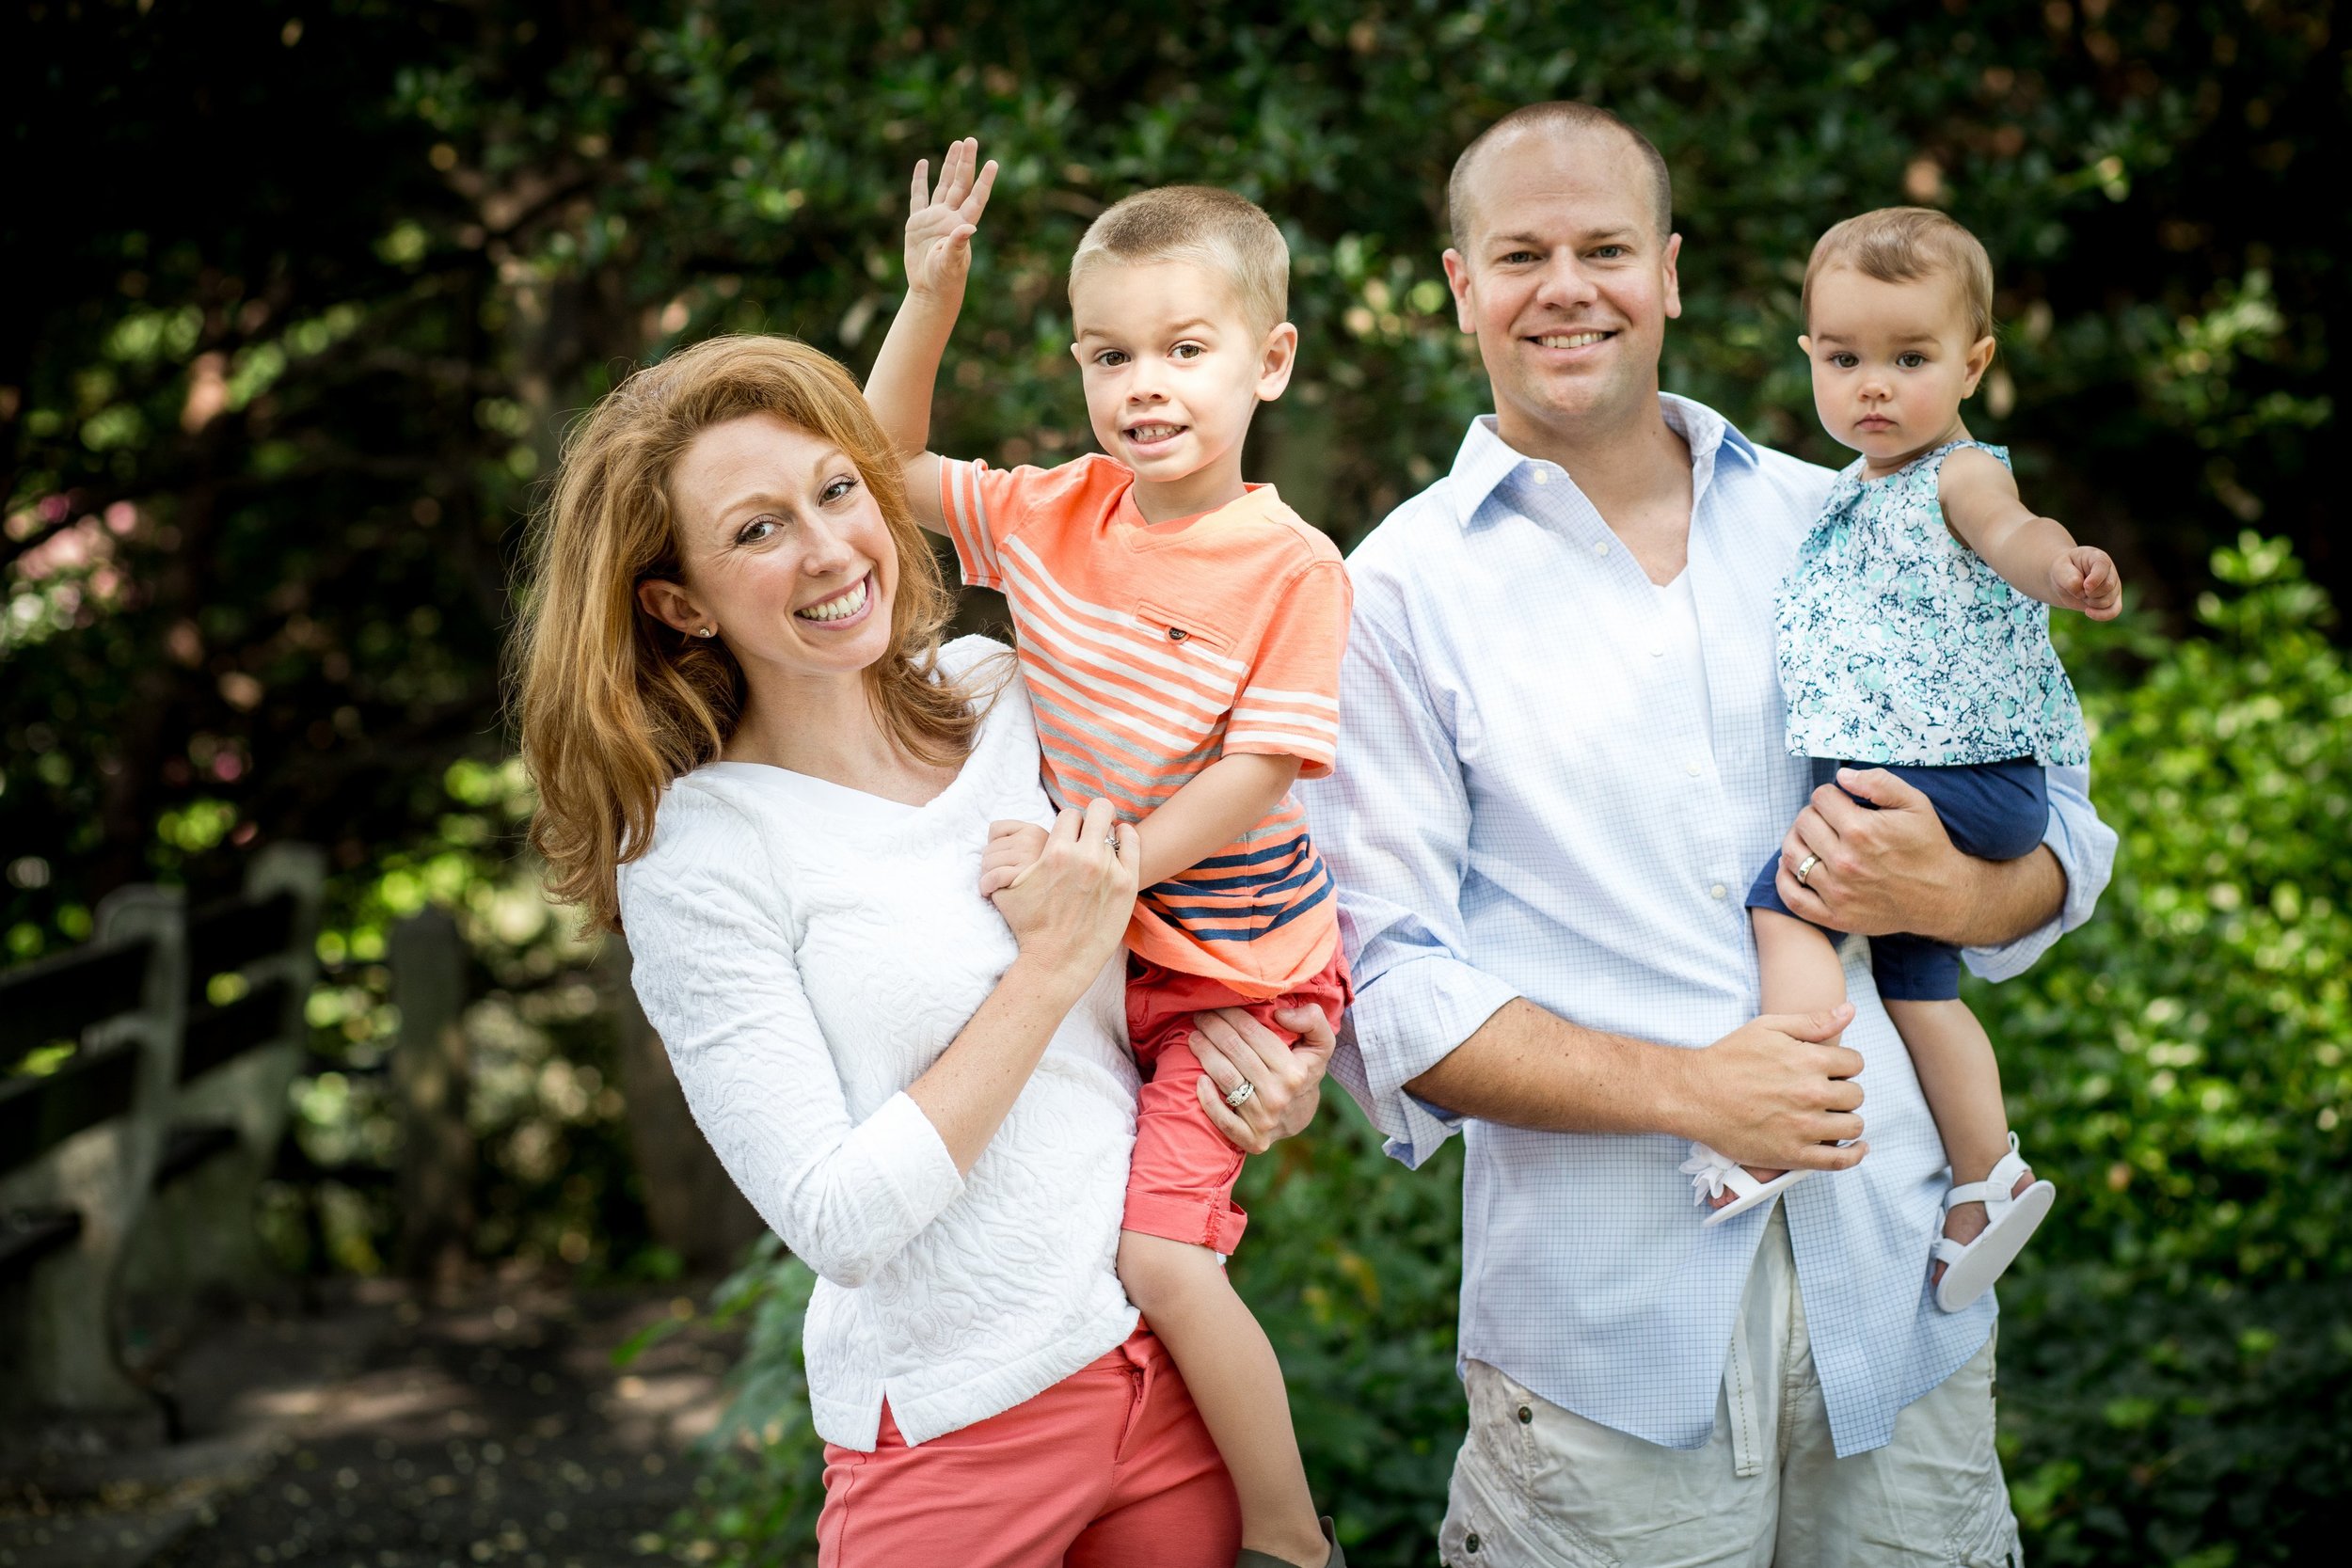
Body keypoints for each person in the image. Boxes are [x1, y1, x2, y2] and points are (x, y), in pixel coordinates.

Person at [1302, 103, 2117, 1564]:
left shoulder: (1852, 513)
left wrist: (1970, 890)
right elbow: (1388, 988)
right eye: (1523, 253)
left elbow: (2065, 816)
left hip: (1905, 1316)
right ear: (1460, 285)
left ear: (1667, 273)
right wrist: (1693, 1091)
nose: (1569, 285)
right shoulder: (1393, 594)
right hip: (1612, 1371)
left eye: (1606, 247)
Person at [512, 332, 1338, 1568]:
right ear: (677, 600)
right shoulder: (700, 857)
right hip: (954, 1440)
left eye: (838, 489)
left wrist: (1273, 1064)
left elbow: (1192, 916)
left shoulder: (1008, 691)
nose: (830, 546)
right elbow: (837, 1219)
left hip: (1164, 1378)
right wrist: (1047, 967)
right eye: (755, 529)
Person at [863, 139, 1351, 1568]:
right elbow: (885, 472)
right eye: (1107, 352)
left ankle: (1287, 1535)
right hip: (1108, 955)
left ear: (1268, 362)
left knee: (1162, 1257)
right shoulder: (1058, 511)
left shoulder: (1291, 565)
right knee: (1084, 1248)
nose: (1141, 383)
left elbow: (1262, 768)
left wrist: (1104, 865)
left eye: (1183, 349)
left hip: (1233, 974)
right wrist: (929, 301)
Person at [1682, 207, 2121, 1317]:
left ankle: (1784, 1117)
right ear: (1810, 357)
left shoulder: (1952, 474)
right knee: (1922, 987)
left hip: (1947, 773)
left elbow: (2009, 529)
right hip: (1939, 776)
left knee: (1787, 903)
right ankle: (1990, 1177)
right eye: (1844, 358)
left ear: (1973, 363)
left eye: (1909, 359)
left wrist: (2059, 566)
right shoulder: (1850, 490)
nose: (1872, 386)